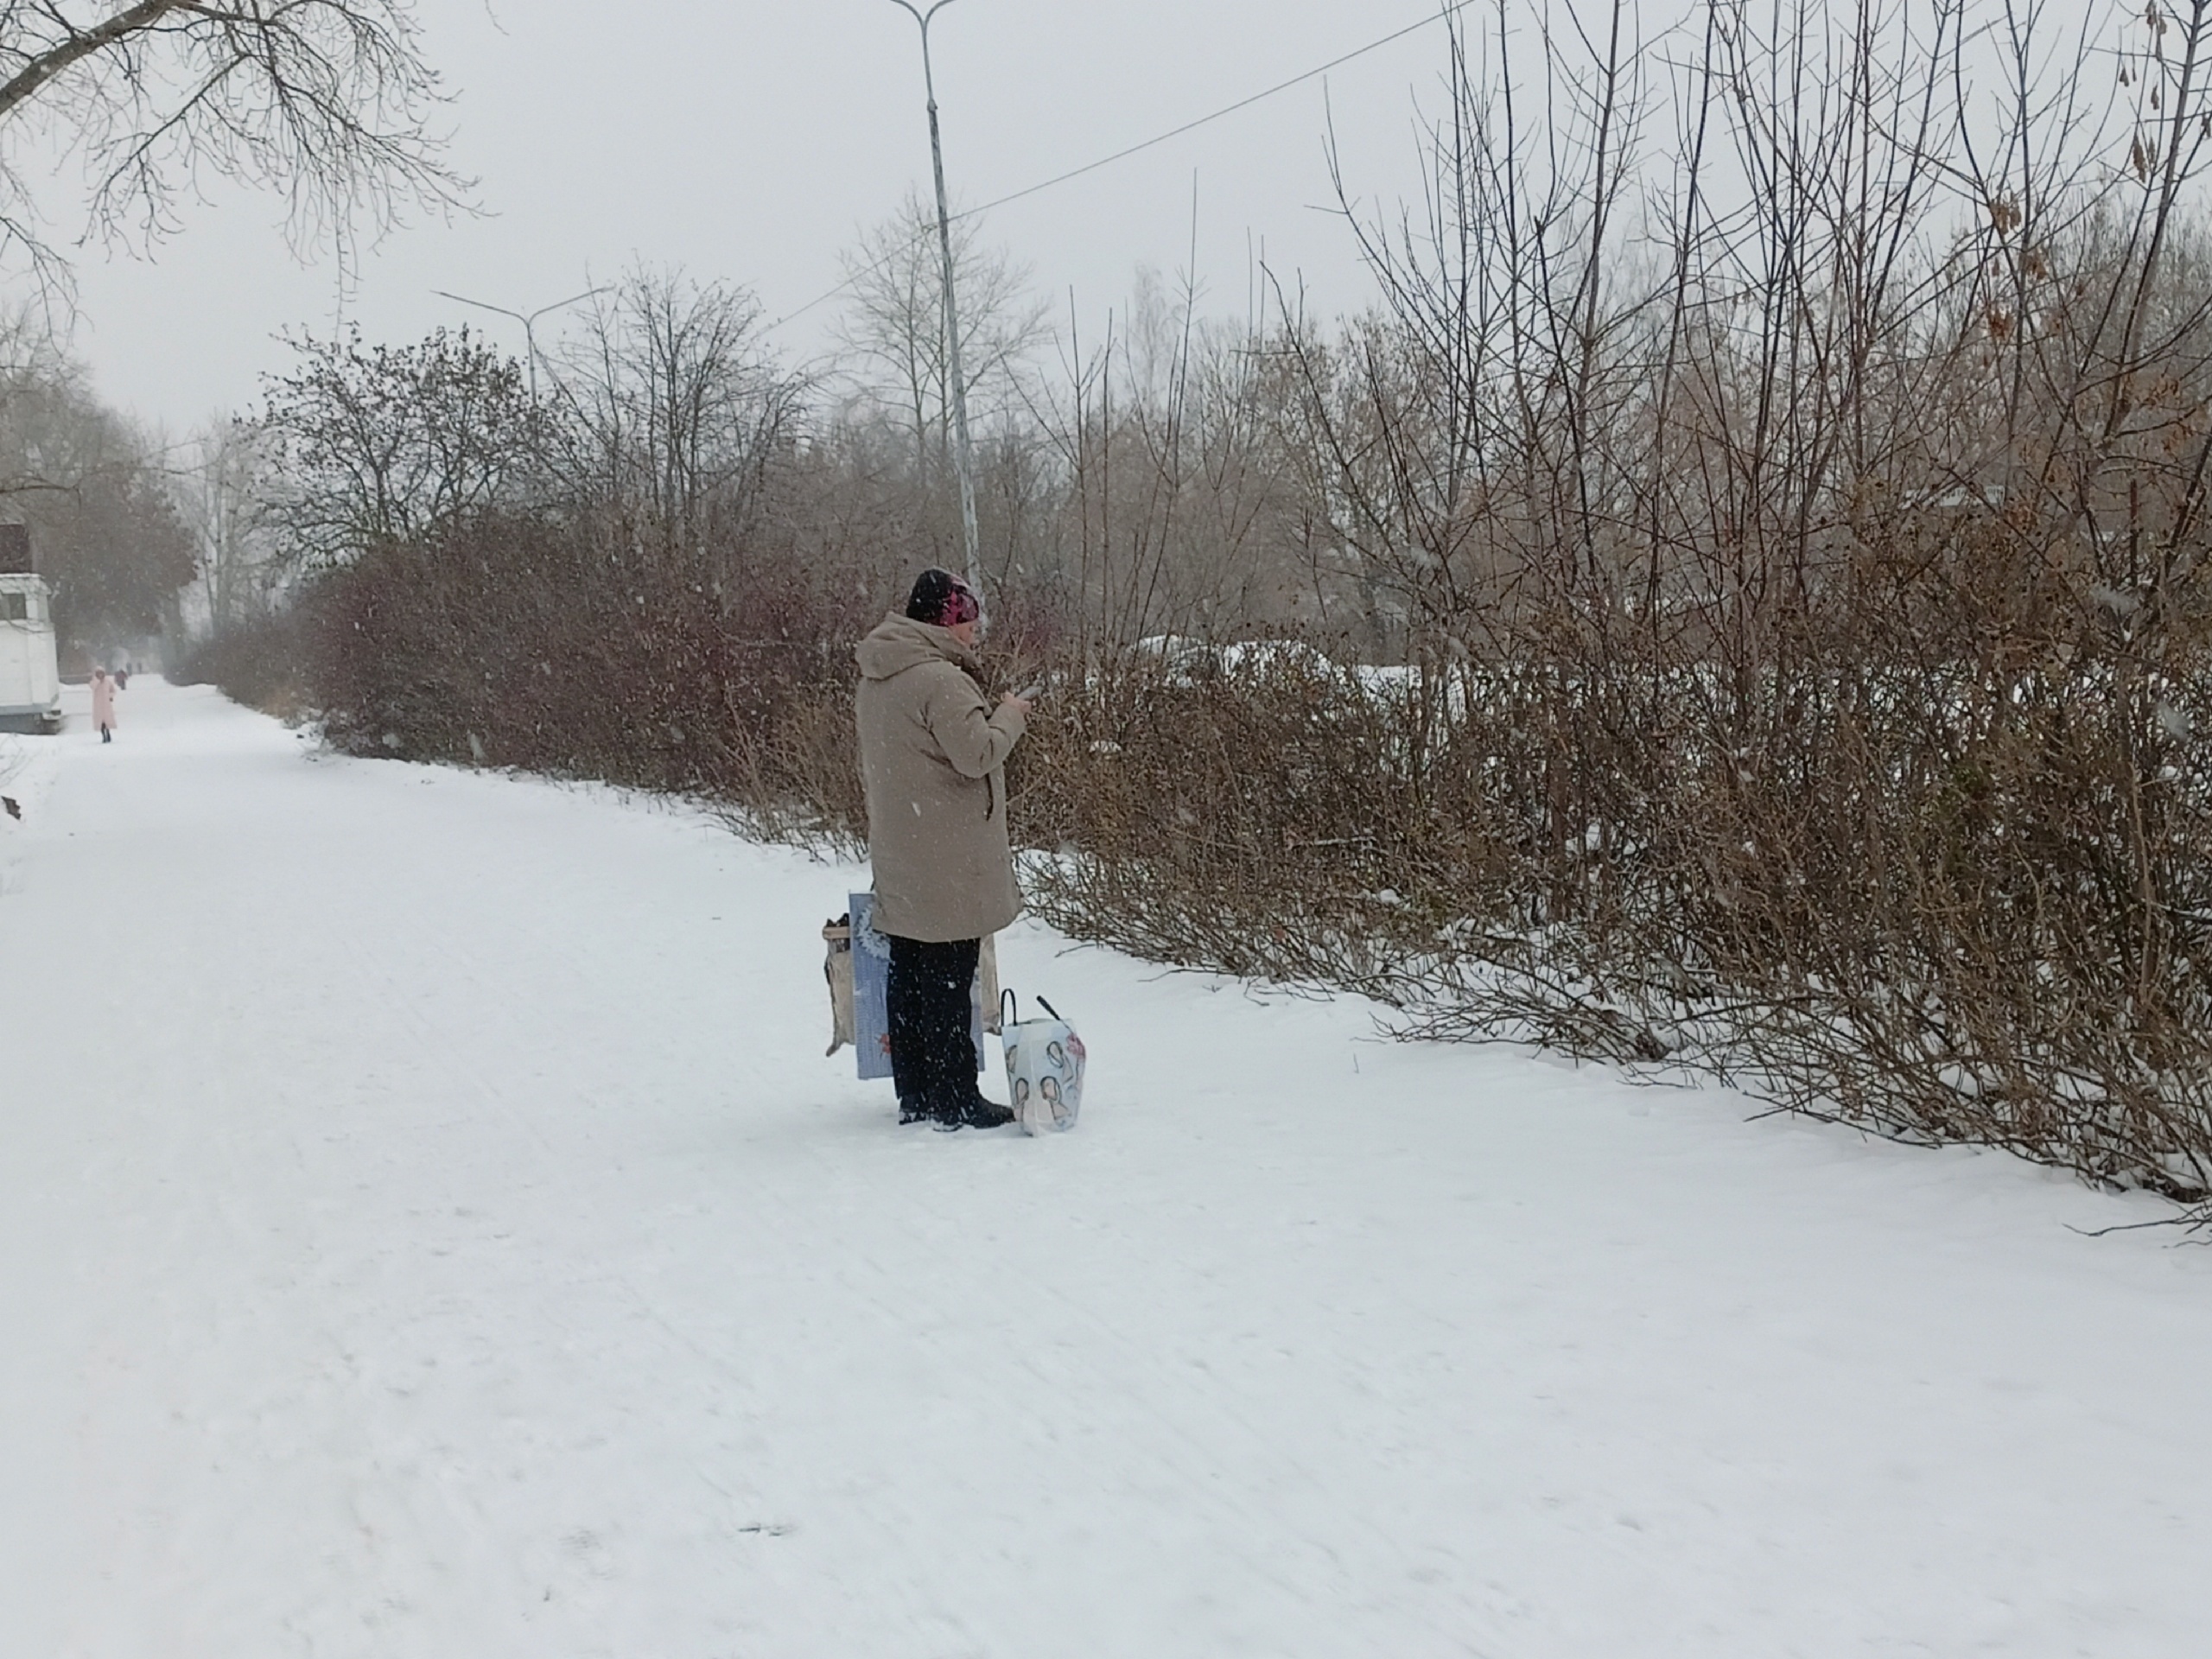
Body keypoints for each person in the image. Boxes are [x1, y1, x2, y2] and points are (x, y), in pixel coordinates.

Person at [855, 569, 1033, 1131]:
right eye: (967, 620)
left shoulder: (879, 673)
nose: (975, 630)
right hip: (949, 854)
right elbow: (977, 754)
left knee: (910, 972)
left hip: (904, 844)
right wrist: (1010, 713)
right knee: (953, 972)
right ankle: (957, 1095)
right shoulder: (940, 680)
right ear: (944, 621)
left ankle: (918, 1092)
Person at [91, 666, 118, 744]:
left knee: (107, 721)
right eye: (98, 673)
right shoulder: (94, 682)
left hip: (106, 705)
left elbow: (113, 690)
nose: (100, 675)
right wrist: (97, 680)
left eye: (101, 673)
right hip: (98, 705)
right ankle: (103, 736)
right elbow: (92, 687)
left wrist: (110, 696)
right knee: (101, 722)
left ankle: (108, 734)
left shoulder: (108, 682)